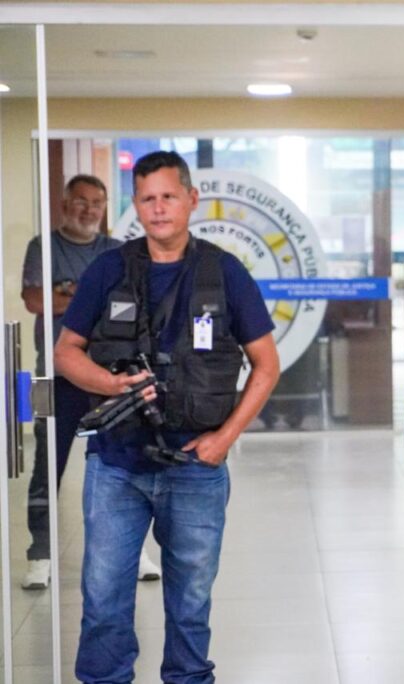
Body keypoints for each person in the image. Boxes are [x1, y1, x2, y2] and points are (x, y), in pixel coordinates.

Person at [54, 150, 280, 684]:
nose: (158, 209)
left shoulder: (224, 272)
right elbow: (67, 351)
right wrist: (111, 384)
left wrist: (225, 438)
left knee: (190, 606)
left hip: (196, 464)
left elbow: (266, 365)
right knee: (104, 600)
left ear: (190, 200)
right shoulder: (109, 268)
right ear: (137, 205)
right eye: (148, 199)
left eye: (169, 197)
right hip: (117, 465)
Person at [17, 174, 165, 590]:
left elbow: (130, 306)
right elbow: (34, 300)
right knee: (48, 466)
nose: (90, 209)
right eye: (81, 201)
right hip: (57, 375)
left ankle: (134, 551)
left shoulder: (116, 252)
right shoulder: (42, 247)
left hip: (108, 378)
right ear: (65, 204)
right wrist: (91, 297)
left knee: (124, 464)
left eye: (97, 202)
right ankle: (40, 555)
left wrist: (66, 292)